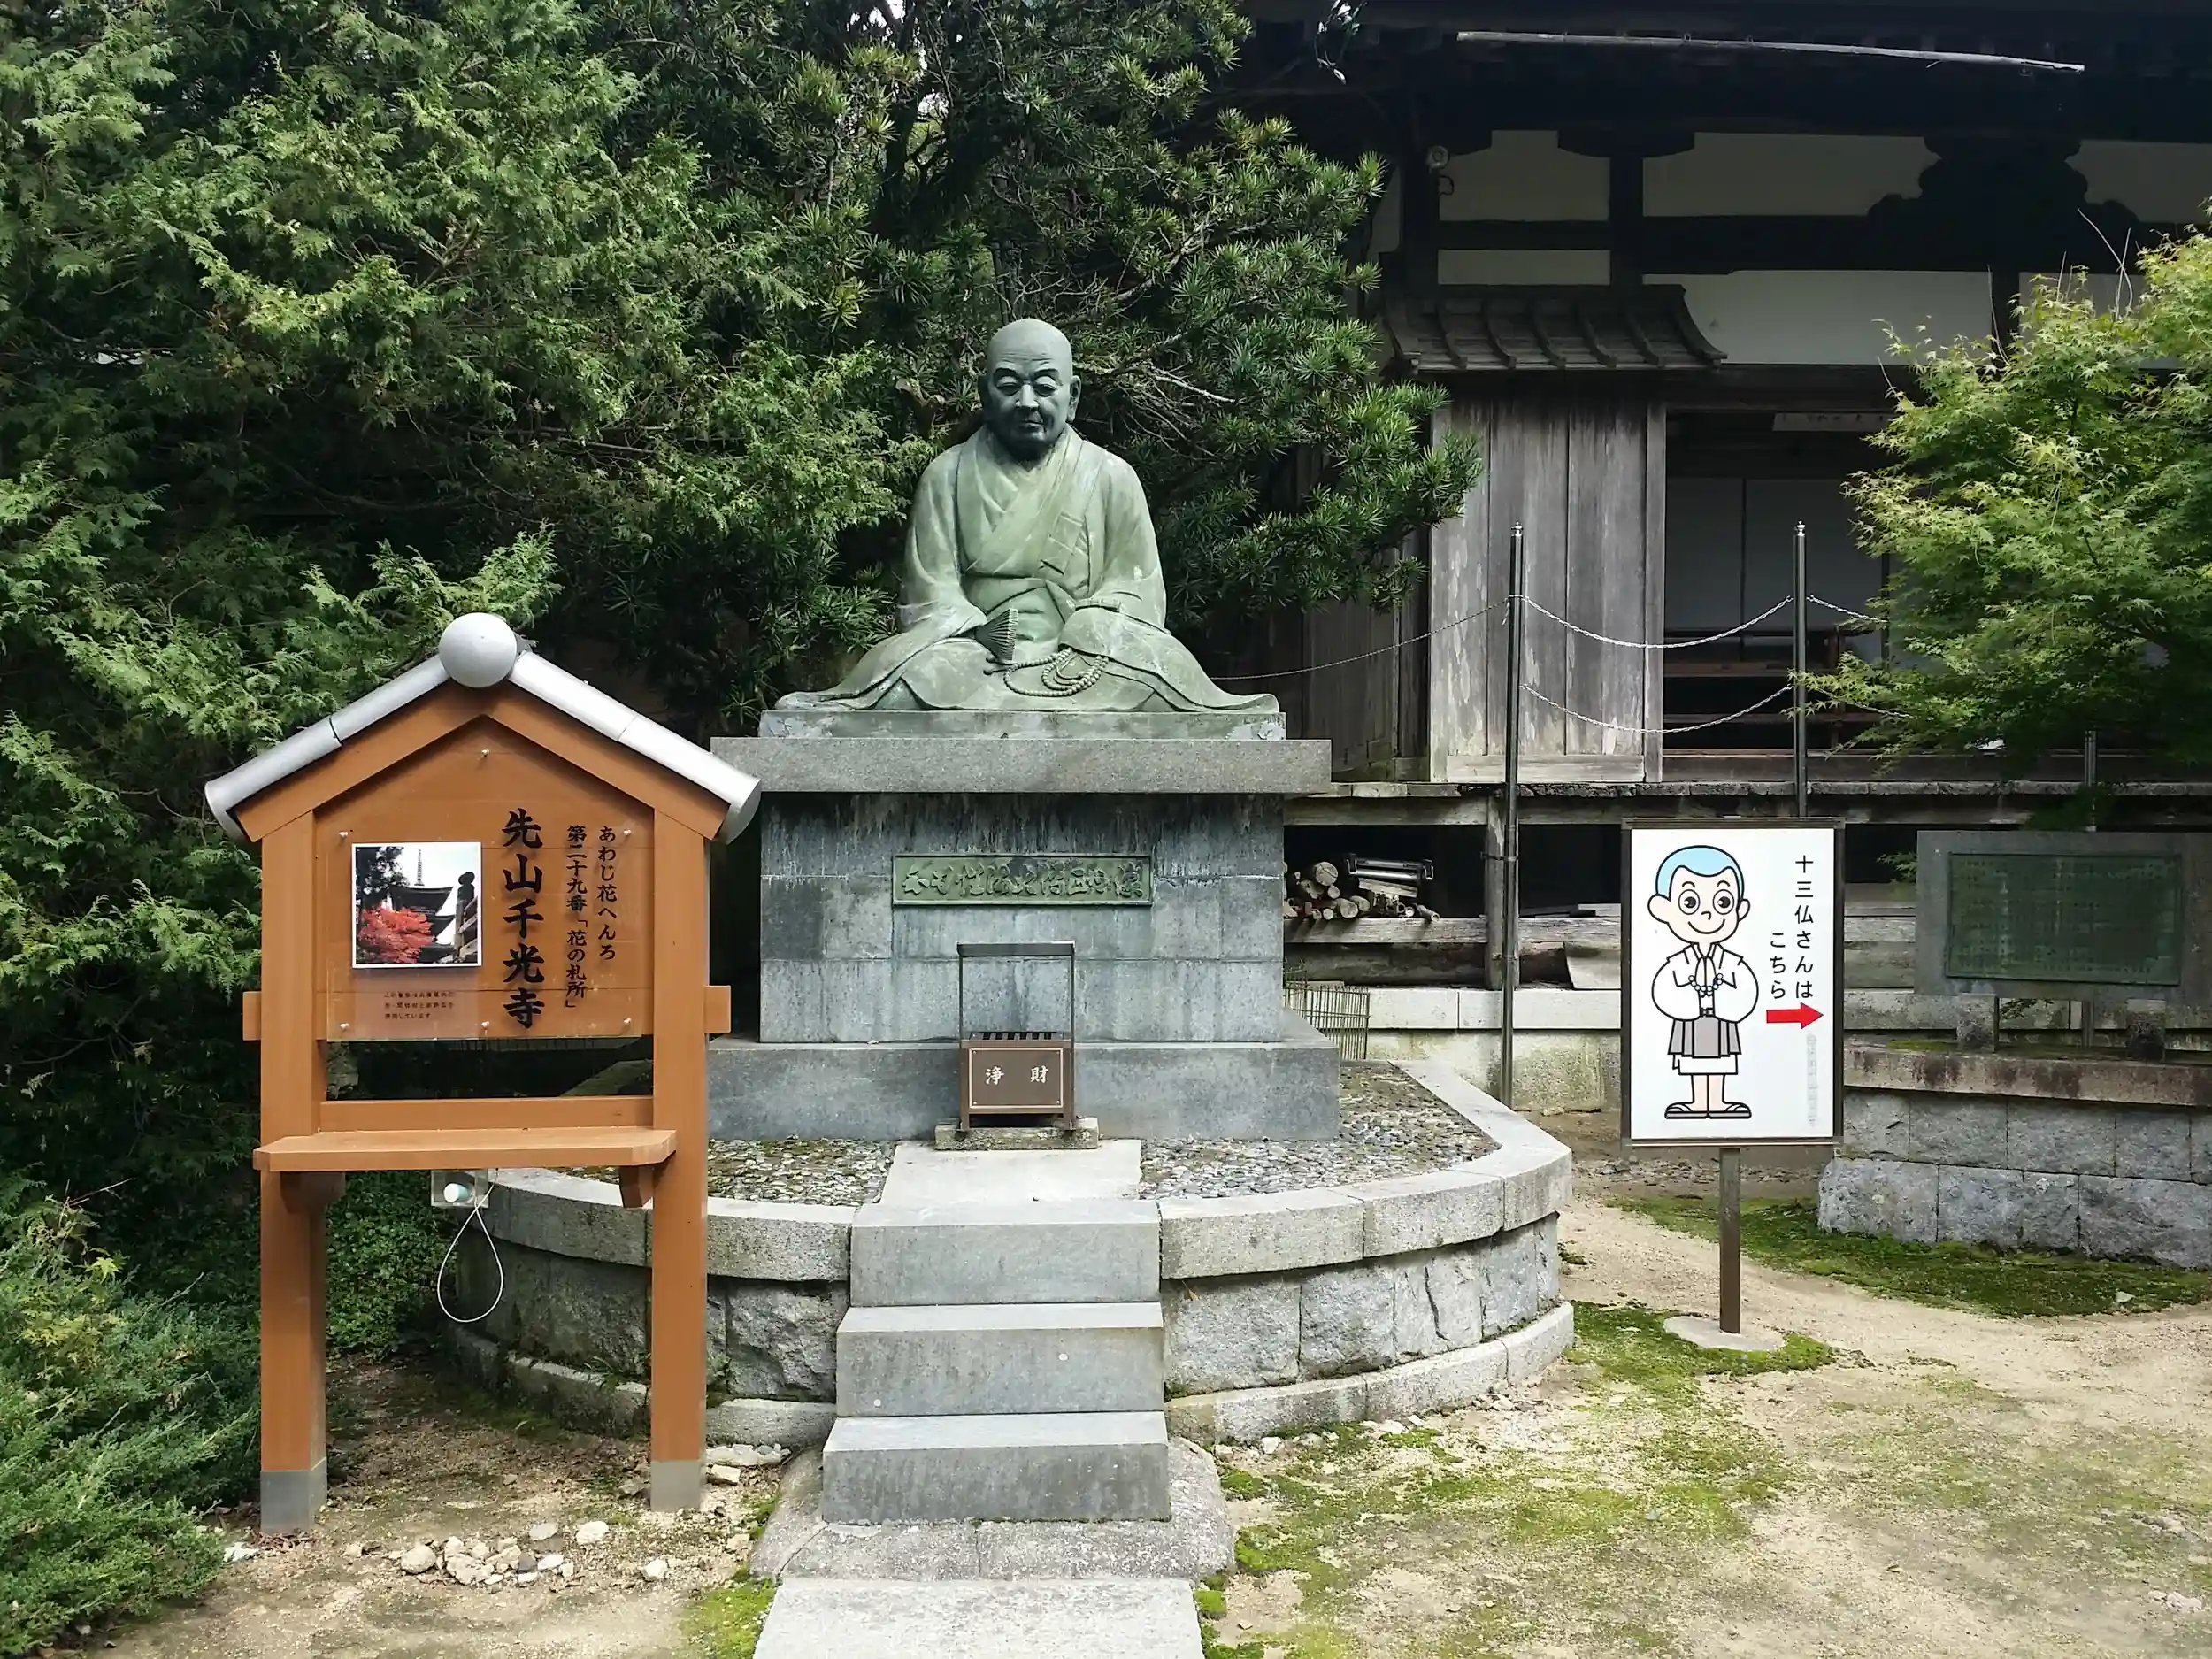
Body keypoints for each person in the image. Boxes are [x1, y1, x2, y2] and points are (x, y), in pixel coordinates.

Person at [778, 319, 1275, 714]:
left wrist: (1089, 625)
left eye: (1044, 385)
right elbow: (930, 595)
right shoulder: (946, 476)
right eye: (1009, 385)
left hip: (1084, 656)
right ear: (984, 394)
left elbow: (1138, 591)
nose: (1027, 402)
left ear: (1072, 397)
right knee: (906, 680)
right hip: (973, 656)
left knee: (1158, 672)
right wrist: (977, 632)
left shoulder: (1111, 477)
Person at [1647, 845, 1759, 1118]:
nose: (1708, 915)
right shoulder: (1678, 961)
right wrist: (1687, 1001)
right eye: (1690, 903)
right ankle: (1698, 1103)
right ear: (1663, 908)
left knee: (1721, 1061)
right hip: (1691, 1020)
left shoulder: (1731, 961)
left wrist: (1727, 1001)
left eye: (1723, 903)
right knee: (1694, 1061)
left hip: (1721, 1019)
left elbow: (1747, 991)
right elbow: (1662, 991)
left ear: (1740, 909)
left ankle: (1717, 1102)